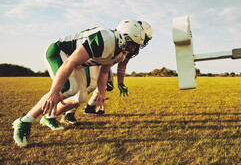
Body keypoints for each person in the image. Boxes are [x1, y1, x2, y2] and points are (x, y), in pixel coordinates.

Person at [12, 21, 146, 147]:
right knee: (68, 88)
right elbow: (70, 62)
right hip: (59, 52)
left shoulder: (120, 53)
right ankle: (25, 121)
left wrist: (101, 96)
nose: (133, 48)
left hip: (77, 64)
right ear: (123, 36)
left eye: (136, 46)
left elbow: (104, 72)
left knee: (81, 97)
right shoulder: (105, 39)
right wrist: (54, 92)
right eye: (132, 43)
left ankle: (48, 117)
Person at [61, 20, 152, 125]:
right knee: (90, 85)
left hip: (105, 64)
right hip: (93, 59)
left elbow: (122, 65)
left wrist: (121, 83)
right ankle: (69, 113)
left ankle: (91, 106)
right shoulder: (120, 40)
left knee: (108, 84)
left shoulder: (132, 46)